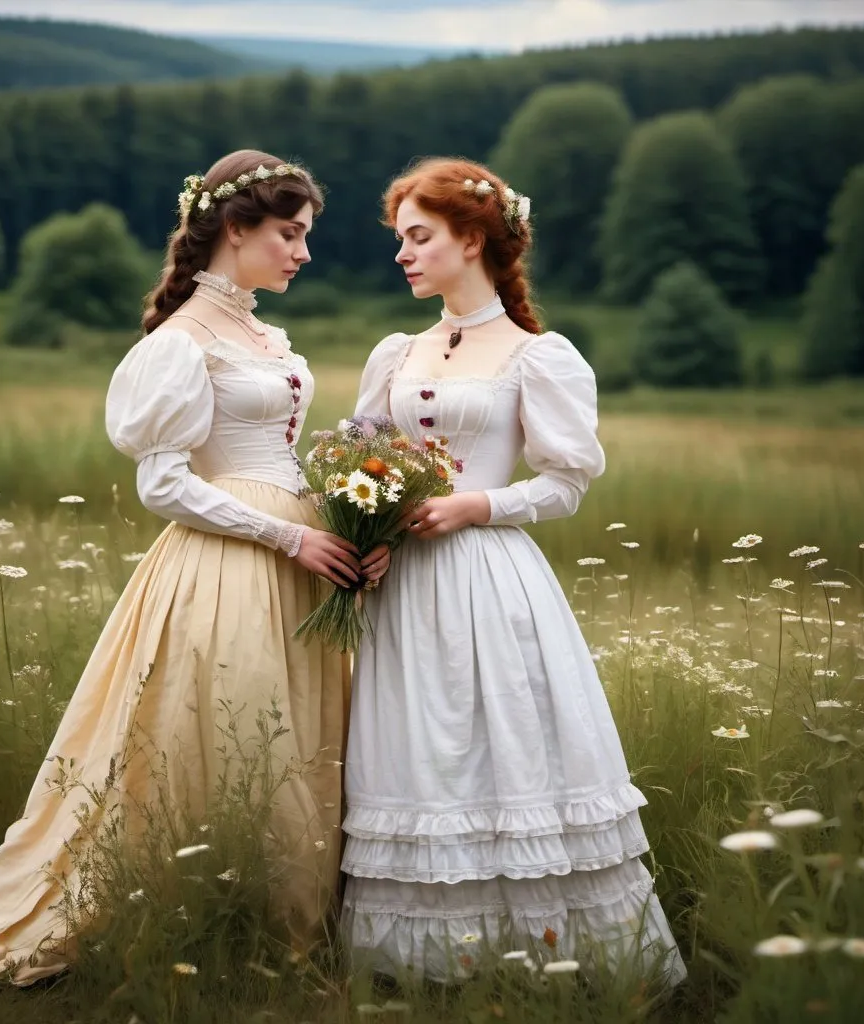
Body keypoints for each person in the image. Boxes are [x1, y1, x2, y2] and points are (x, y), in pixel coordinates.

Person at [0, 149, 389, 985]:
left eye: (304, 237)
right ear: (236, 230)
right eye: (291, 234)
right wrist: (287, 537)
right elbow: (163, 482)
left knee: (300, 734)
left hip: (302, 550)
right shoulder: (181, 341)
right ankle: (198, 904)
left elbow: (278, 451)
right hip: (230, 563)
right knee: (222, 732)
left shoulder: (262, 331)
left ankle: (286, 914)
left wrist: (347, 513)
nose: (302, 254)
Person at [340, 157, 687, 988]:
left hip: (489, 578)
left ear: (473, 238)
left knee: (505, 748)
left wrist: (473, 506)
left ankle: (540, 957)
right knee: (418, 750)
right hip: (404, 589)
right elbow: (363, 458)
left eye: (419, 237)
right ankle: (417, 962)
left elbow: (567, 483)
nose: (404, 255)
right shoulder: (397, 351)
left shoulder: (539, 356)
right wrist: (370, 529)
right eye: (400, 240)